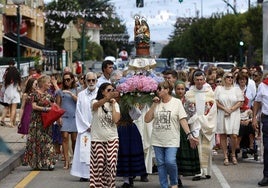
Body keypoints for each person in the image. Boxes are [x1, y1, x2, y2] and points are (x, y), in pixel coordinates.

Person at [144, 80, 198, 188]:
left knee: (170, 161)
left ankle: (174, 183)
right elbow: (147, 119)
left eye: (161, 89)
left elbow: (182, 120)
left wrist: (190, 135)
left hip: (172, 139)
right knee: (161, 164)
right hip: (157, 139)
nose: (158, 91)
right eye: (157, 89)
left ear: (167, 90)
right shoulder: (156, 103)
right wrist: (154, 105)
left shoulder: (176, 102)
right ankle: (164, 185)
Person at [184, 70, 217, 181]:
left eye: (201, 79)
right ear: (194, 80)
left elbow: (213, 109)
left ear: (204, 80)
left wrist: (205, 120)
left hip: (207, 122)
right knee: (197, 147)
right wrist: (195, 119)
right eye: (197, 80)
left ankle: (207, 171)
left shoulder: (210, 92)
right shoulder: (189, 93)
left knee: (207, 147)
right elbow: (187, 109)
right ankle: (198, 172)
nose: (199, 82)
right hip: (195, 123)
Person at [90, 83, 121, 188]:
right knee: (99, 164)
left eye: (113, 90)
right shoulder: (95, 101)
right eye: (109, 90)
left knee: (111, 163)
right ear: (102, 91)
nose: (111, 92)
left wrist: (112, 105)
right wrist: (106, 99)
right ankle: (99, 185)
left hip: (112, 138)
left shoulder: (115, 104)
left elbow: (116, 120)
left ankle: (110, 185)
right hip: (97, 139)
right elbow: (95, 106)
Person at [23, 75, 56, 170]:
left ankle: (50, 162)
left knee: (48, 141)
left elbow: (54, 106)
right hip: (36, 122)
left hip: (46, 121)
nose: (50, 84)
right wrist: (46, 109)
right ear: (43, 84)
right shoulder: (35, 94)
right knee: (36, 142)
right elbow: (34, 106)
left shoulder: (49, 95)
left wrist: (57, 115)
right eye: (48, 83)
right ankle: (37, 163)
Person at [70, 72, 98, 182]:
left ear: (96, 81)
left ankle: (96, 173)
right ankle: (84, 174)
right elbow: (78, 112)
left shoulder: (100, 93)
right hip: (85, 128)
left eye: (93, 80)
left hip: (97, 127)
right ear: (85, 81)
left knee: (96, 151)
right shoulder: (81, 94)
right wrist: (86, 126)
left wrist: (95, 125)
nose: (91, 82)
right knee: (84, 151)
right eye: (89, 80)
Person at [174, 80, 200, 188]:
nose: (180, 91)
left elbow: (193, 120)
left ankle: (178, 178)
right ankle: (176, 178)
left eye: (182, 89)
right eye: (178, 89)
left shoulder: (188, 103)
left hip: (185, 131)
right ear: (175, 90)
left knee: (181, 155)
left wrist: (194, 134)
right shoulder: (171, 101)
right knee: (174, 156)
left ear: (185, 90)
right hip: (174, 130)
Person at [214, 72, 243, 166]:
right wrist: (224, 109)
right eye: (228, 77)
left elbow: (240, 101)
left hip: (234, 113)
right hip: (222, 113)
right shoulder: (219, 89)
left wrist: (231, 110)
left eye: (231, 77)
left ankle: (233, 154)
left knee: (234, 135)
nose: (230, 78)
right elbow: (216, 101)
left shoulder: (236, 89)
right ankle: (225, 156)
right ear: (224, 78)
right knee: (223, 135)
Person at [56, 72, 78, 170]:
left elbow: (79, 102)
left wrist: (71, 93)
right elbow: (58, 106)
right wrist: (58, 118)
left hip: (74, 117)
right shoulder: (60, 92)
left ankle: (75, 160)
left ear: (72, 79)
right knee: (64, 138)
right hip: (64, 117)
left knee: (74, 140)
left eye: (68, 79)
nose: (66, 81)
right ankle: (66, 161)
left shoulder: (77, 90)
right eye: (64, 80)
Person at [252, 75, 268, 186]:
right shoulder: (263, 85)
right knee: (267, 148)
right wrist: (254, 117)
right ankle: (267, 176)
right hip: (267, 118)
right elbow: (257, 102)